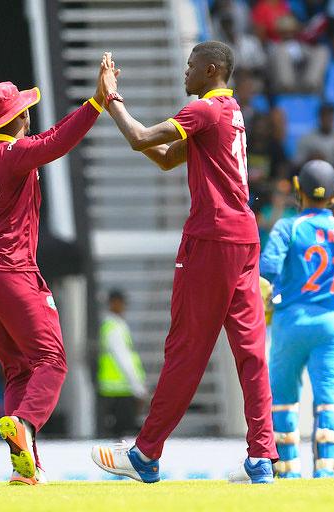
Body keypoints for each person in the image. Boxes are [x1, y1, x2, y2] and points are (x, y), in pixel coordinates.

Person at [91, 44, 278, 484]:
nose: (185, 72)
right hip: (244, 237)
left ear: (211, 70)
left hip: (211, 238)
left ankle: (145, 455)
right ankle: (261, 458)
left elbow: (141, 138)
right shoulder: (231, 113)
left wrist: (110, 99)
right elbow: (163, 157)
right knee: (251, 354)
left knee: (185, 350)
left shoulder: (205, 111)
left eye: (191, 66)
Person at [0, 61, 106, 485]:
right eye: (26, 109)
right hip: (9, 272)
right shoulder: (15, 154)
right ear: (19, 117)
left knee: (19, 370)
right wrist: (97, 102)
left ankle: (25, 466)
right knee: (53, 360)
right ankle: (24, 424)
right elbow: (56, 142)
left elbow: (44, 141)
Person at [260, 160, 334, 478]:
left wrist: (278, 294)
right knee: (330, 396)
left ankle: (288, 471)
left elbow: (268, 268)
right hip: (331, 324)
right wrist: (330, 298)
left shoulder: (288, 226)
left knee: (282, 397)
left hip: (290, 321)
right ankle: (327, 471)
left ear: (298, 190)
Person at [98, 290, 148, 438]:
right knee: (124, 435)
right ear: (113, 303)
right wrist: (138, 388)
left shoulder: (112, 325)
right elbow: (123, 359)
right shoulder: (115, 327)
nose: (123, 306)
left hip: (116, 389)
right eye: (121, 302)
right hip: (121, 390)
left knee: (117, 434)